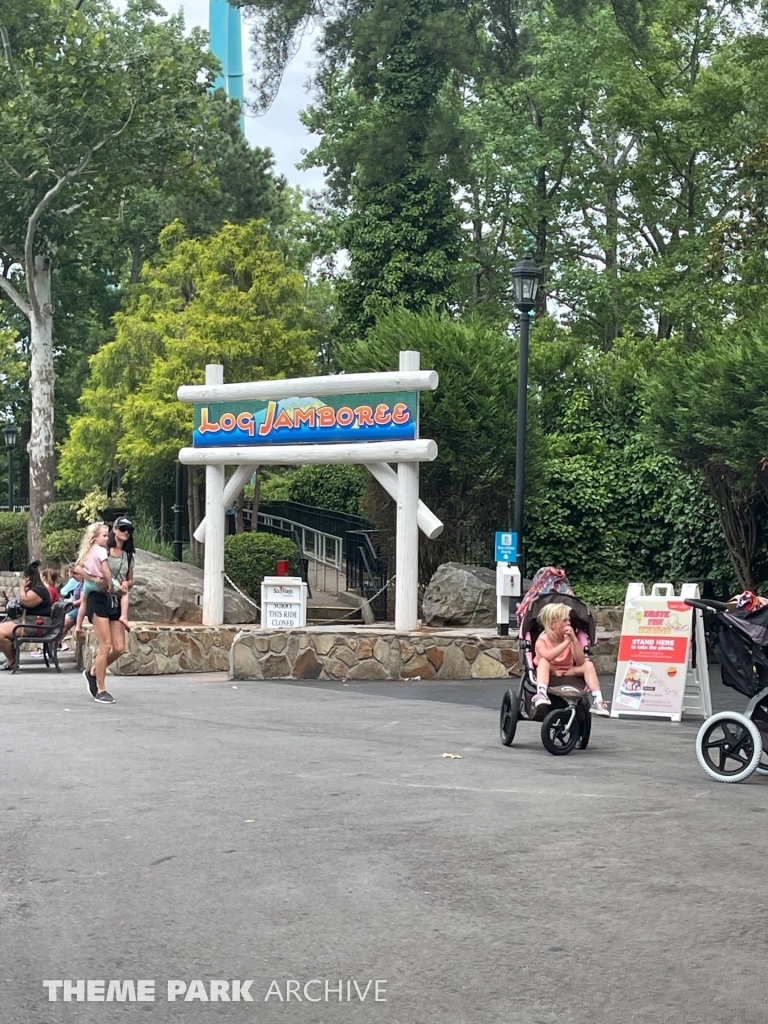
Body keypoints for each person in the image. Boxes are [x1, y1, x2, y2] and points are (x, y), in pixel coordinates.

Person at [74, 522, 125, 705]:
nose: (108, 537)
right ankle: (101, 689)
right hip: (99, 597)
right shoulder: (99, 550)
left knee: (119, 647)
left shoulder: (121, 553)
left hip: (110, 598)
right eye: (105, 535)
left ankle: (93, 671)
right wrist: (104, 581)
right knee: (106, 644)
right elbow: (82, 569)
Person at [533, 602, 610, 716]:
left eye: (568, 620)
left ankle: (598, 700)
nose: (569, 623)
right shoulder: (542, 640)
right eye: (564, 621)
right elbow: (548, 656)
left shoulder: (569, 639)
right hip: (550, 670)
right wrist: (566, 643)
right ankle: (541, 693)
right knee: (544, 661)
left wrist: (574, 641)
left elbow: (580, 661)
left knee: (588, 664)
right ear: (552, 624)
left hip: (567, 670)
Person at [0, 561, 53, 671]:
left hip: (37, 623)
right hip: (30, 621)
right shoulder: (37, 589)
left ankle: (12, 661)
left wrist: (22, 587)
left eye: (25, 577)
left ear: (28, 577)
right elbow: (24, 599)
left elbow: (27, 601)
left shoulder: (39, 590)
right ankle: (11, 657)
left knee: (0, 633)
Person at [107, 517, 136, 630]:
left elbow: (131, 580)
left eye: (129, 530)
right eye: (123, 529)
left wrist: (126, 583)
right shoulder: (105, 551)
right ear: (114, 529)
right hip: (104, 595)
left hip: (118, 600)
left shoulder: (128, 556)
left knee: (119, 647)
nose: (126, 532)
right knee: (106, 643)